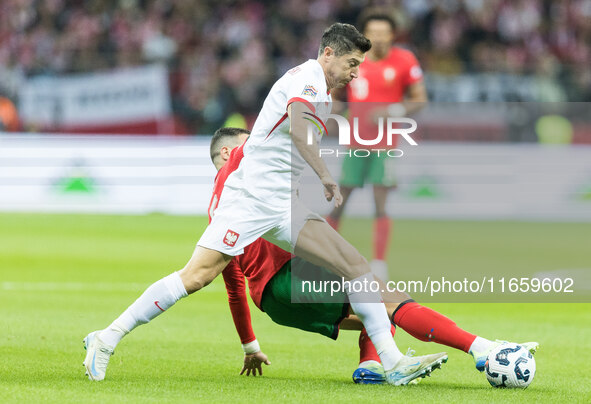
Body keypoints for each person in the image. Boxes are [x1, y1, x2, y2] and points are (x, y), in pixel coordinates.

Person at [83, 23, 447, 385]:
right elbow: (301, 130)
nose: (355, 73)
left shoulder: (320, 88)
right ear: (329, 53)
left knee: (355, 265)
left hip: (282, 204)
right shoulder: (308, 80)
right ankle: (106, 338)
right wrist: (325, 175)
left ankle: (393, 361)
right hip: (252, 199)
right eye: (352, 63)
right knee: (196, 276)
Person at [212, 127, 538, 383]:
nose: (254, 150)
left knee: (375, 314)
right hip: (293, 273)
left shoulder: (216, 211)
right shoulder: (252, 178)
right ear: (228, 152)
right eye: (246, 145)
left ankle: (369, 366)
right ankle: (484, 350)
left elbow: (234, 289)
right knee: (390, 300)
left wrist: (250, 346)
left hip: (273, 304)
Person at [327, 9, 428, 281]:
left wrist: (393, 111)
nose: (379, 39)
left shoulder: (405, 60)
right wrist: (333, 115)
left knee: (380, 203)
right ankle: (326, 256)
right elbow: (336, 94)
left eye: (384, 33)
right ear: (364, 35)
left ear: (393, 35)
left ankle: (380, 264)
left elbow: (419, 99)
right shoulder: (353, 60)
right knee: (339, 200)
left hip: (385, 144)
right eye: (374, 33)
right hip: (355, 143)